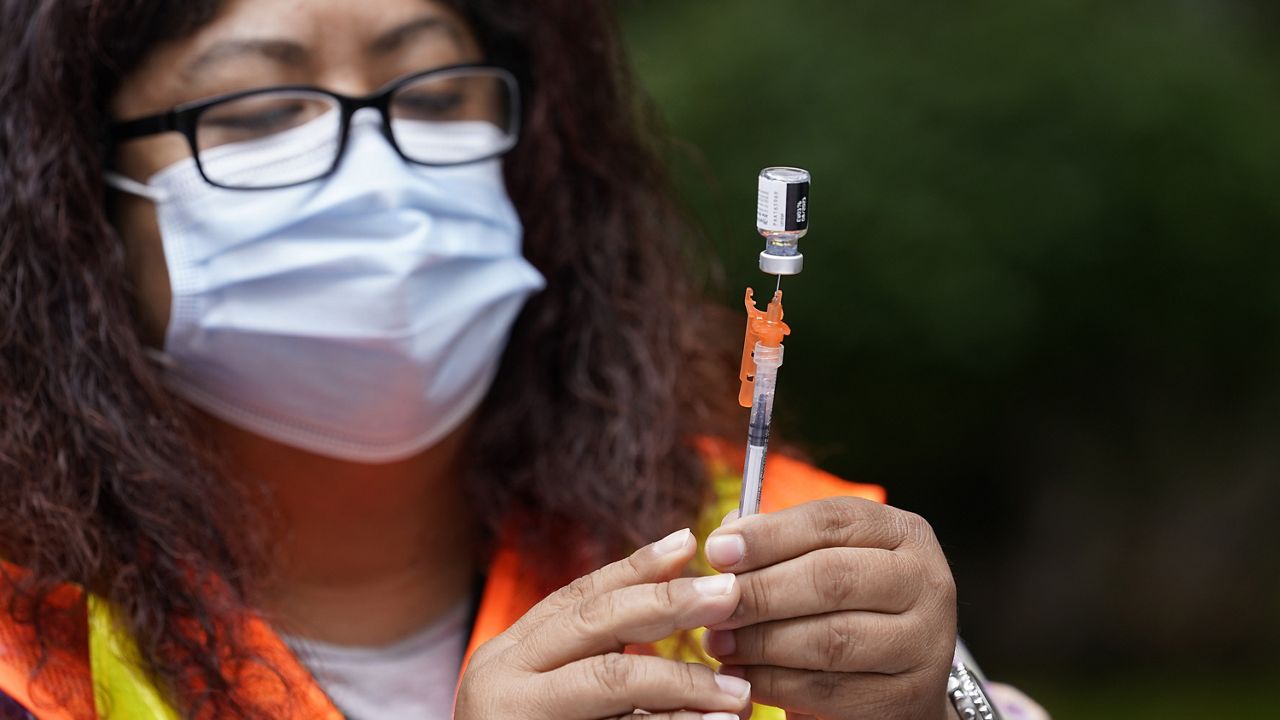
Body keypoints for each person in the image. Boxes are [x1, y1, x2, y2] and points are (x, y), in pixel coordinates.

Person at [0, 1, 1048, 718]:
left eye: (433, 94)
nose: (376, 173)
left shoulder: (754, 537)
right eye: (262, 110)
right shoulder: (21, 638)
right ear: (75, 200)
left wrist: (942, 704)